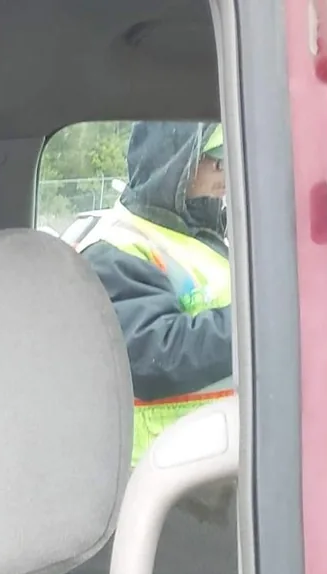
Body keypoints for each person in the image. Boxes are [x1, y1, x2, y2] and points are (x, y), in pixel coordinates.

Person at [71, 122, 232, 466]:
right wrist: (259, 323)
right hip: (163, 471)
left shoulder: (197, 236)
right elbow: (154, 356)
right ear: (178, 163)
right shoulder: (118, 248)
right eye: (218, 161)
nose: (227, 175)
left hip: (218, 452)